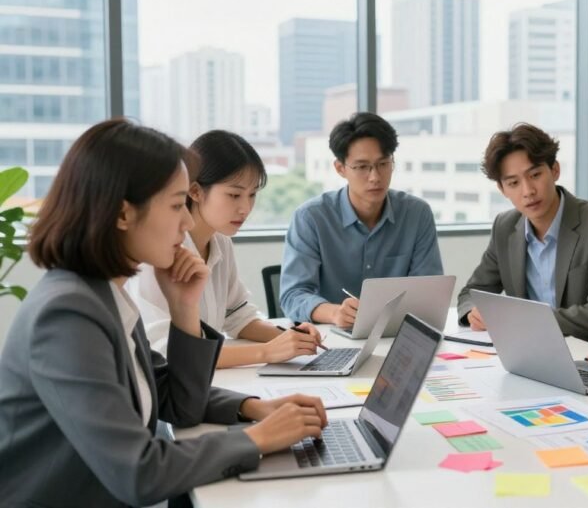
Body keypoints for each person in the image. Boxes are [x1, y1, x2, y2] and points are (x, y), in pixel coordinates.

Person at [0, 119, 327, 507]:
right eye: (176, 205)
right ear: (123, 215)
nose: (188, 221)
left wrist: (186, 311)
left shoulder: (104, 294)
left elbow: (176, 402)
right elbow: (138, 472)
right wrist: (256, 438)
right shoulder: (67, 315)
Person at [129, 130, 322, 367]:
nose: (245, 208)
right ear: (196, 191)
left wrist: (290, 337)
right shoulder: (159, 252)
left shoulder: (220, 241)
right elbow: (165, 350)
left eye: (252, 195)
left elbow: (237, 316)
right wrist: (267, 352)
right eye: (234, 195)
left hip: (205, 383)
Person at [456, 123, 588, 342]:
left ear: (555, 170)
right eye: (513, 183)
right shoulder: (505, 227)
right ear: (503, 190)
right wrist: (474, 311)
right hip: (530, 352)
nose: (528, 191)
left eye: (535, 175)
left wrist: (521, 320)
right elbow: (471, 293)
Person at [280, 112, 443, 328]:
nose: (375, 176)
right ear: (340, 168)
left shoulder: (417, 213)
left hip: (396, 334)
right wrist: (334, 312)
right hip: (331, 336)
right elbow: (293, 295)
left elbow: (429, 290)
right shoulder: (311, 218)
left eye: (383, 164)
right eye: (362, 167)